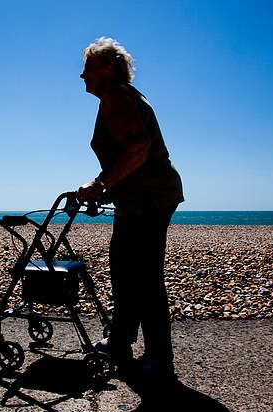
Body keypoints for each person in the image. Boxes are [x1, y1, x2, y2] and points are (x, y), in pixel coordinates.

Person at [76, 37, 184, 381]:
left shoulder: (117, 96)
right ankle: (121, 343)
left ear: (109, 68)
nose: (82, 75)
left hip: (149, 199)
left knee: (143, 278)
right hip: (140, 197)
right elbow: (134, 157)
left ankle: (158, 360)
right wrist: (109, 189)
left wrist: (100, 184)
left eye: (89, 68)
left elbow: (139, 148)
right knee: (125, 271)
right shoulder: (120, 97)